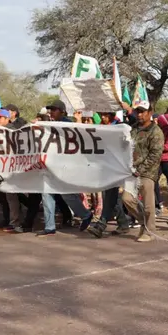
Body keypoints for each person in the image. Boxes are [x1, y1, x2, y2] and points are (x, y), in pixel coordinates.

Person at [35, 100, 97, 236]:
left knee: (66, 194)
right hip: (51, 164)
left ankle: (85, 215)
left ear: (62, 111)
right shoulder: (49, 125)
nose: (51, 112)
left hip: (65, 165)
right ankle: (49, 226)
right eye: (50, 110)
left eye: (54, 110)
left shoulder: (68, 124)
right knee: (46, 193)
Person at [122, 103, 163, 242]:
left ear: (150, 112)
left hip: (148, 172)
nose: (139, 114)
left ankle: (149, 231)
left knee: (148, 203)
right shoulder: (133, 129)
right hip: (132, 170)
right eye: (137, 111)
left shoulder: (155, 131)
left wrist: (140, 170)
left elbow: (155, 154)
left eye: (142, 111)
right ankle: (143, 221)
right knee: (126, 198)